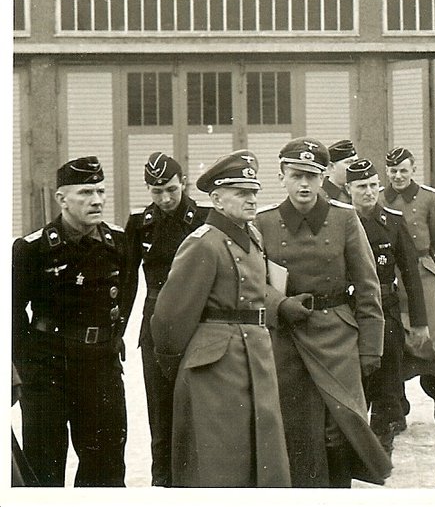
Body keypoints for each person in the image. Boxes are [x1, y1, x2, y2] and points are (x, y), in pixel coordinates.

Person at [150, 150, 291, 487]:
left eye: (254, 192)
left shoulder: (252, 237)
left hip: (256, 354)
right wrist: (180, 368)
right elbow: (170, 318)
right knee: (221, 460)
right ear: (216, 199)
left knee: (262, 452)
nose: (252, 199)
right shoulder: (203, 244)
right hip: (215, 367)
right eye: (242, 193)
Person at [255, 139, 392, 487]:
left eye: (312, 176)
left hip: (338, 338)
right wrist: (280, 305)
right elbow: (251, 282)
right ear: (282, 176)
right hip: (287, 340)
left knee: (340, 429)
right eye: (297, 175)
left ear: (325, 177)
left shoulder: (344, 218)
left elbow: (367, 286)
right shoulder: (264, 222)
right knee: (297, 430)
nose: (304, 184)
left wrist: (370, 347)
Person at [11, 155, 128, 486]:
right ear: (62, 199)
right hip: (49, 368)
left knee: (105, 466)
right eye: (86, 193)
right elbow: (13, 312)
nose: (97, 200)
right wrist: (25, 369)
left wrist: (110, 341)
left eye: (101, 192)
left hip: (100, 367)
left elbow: (125, 296)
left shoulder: (117, 241)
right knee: (45, 465)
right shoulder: (32, 249)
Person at [121, 152, 209, 487]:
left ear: (183, 183)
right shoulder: (140, 224)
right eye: (157, 192)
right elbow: (128, 283)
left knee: (198, 408)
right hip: (156, 326)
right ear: (148, 189)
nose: (166, 198)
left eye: (171, 189)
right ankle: (162, 484)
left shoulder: (204, 218)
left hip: (199, 323)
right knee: (159, 411)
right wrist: (119, 334)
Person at [346, 159, 429, 458]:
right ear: (348, 189)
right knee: (356, 380)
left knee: (388, 381)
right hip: (351, 313)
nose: (368, 193)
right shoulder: (342, 222)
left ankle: (382, 447)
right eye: (361, 187)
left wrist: (419, 322)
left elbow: (411, 275)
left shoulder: (393, 222)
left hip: (387, 312)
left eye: (372, 186)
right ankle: (358, 444)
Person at [381, 146, 435, 428]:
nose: (398, 176)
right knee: (395, 339)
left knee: (430, 338)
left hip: (422, 277)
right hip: (390, 276)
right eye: (393, 171)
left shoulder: (428, 199)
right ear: (387, 172)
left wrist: (430, 272)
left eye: (403, 171)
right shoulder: (379, 199)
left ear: (413, 170)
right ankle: (398, 405)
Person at [323, 139, 358, 203]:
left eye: (356, 162)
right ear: (331, 167)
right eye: (349, 162)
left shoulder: (357, 192)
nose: (355, 166)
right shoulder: (321, 196)